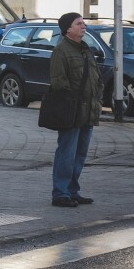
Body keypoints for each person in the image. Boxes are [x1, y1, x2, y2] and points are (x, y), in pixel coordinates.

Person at [49, 12, 102, 208]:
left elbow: (96, 78)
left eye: (83, 23)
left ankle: (72, 191)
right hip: (71, 112)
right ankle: (60, 193)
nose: (83, 26)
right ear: (67, 29)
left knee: (80, 154)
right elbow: (59, 83)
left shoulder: (85, 49)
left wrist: (97, 99)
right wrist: (74, 102)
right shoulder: (61, 51)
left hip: (88, 111)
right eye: (79, 23)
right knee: (67, 152)